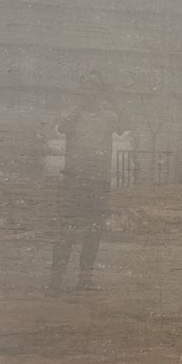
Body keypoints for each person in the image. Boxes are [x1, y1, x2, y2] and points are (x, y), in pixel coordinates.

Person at [49, 71, 124, 291]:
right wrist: (81, 106)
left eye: (95, 86)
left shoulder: (109, 116)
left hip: (98, 182)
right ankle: (56, 280)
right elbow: (63, 128)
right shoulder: (70, 112)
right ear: (80, 89)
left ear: (101, 91)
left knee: (94, 231)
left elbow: (127, 124)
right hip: (73, 181)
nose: (90, 91)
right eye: (86, 86)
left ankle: (85, 279)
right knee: (66, 230)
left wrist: (112, 98)